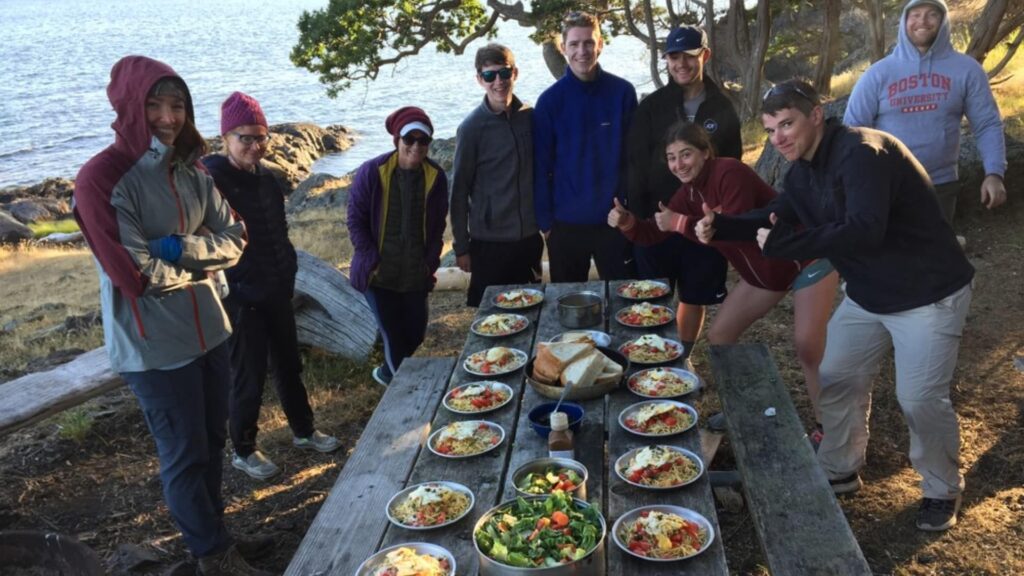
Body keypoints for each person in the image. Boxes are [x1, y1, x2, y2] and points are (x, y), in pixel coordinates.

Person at [697, 80, 974, 531]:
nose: (778, 138)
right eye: (770, 130)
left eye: (787, 124)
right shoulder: (803, 171)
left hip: (928, 294)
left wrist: (789, 243)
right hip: (869, 292)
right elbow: (781, 213)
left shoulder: (862, 153)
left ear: (816, 114)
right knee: (836, 375)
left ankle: (942, 488)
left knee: (919, 398)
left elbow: (865, 228)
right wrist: (723, 225)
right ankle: (841, 466)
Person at [73, 56, 271, 575]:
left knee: (212, 441)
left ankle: (215, 538)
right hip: (153, 347)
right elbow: (133, 276)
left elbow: (236, 239)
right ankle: (211, 556)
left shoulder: (191, 169)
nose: (168, 116)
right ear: (128, 107)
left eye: (177, 104)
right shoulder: (100, 179)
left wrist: (177, 248)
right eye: (154, 104)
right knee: (185, 454)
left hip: (209, 330)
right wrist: (202, 255)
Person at [610, 121, 837, 433]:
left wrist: (679, 223)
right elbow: (654, 232)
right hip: (766, 277)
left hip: (805, 260)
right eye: (672, 157)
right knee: (720, 337)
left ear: (705, 152)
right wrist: (627, 222)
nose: (679, 164)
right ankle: (739, 410)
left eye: (686, 154)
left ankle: (829, 429)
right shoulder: (688, 193)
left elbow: (735, 227)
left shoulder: (729, 172)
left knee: (808, 347)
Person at [202, 92, 341, 481]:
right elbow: (206, 241)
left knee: (288, 365)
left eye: (260, 137)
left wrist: (289, 272)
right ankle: (244, 451)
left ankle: (304, 431)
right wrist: (233, 284)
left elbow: (278, 230)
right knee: (248, 375)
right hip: (241, 296)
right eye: (244, 137)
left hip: (277, 288)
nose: (254, 145)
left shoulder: (267, 178)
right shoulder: (209, 179)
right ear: (226, 138)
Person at [625, 25, 742, 358]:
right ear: (666, 60)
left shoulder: (723, 107)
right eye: (673, 57)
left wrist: (722, 220)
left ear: (704, 55)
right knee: (653, 297)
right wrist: (640, 219)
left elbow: (731, 166)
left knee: (694, 296)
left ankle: (683, 357)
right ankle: (651, 355)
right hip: (658, 221)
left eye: (688, 57)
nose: (681, 64)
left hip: (703, 225)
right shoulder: (652, 107)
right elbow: (636, 163)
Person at [844, 0, 1007, 231]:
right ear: (904, 21)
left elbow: (987, 124)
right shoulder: (878, 74)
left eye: (932, 14)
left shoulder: (967, 70)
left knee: (936, 259)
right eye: (916, 14)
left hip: (940, 186)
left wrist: (994, 173)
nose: (923, 21)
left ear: (943, 21)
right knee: (891, 259)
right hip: (886, 187)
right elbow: (852, 131)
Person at [347, 106, 448, 386]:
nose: (416, 146)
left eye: (423, 140)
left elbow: (438, 225)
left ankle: (387, 373)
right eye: (409, 139)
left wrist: (430, 263)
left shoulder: (436, 177)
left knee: (415, 335)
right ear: (397, 140)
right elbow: (355, 220)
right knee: (394, 338)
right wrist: (371, 258)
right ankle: (403, 397)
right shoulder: (372, 172)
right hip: (379, 275)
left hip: (415, 273)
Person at [533, 11, 638, 282]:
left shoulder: (622, 93)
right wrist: (546, 224)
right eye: (575, 44)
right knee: (568, 305)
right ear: (563, 48)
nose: (583, 51)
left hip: (615, 221)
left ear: (600, 44)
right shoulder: (549, 102)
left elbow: (634, 159)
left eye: (589, 43)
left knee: (624, 302)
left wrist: (630, 209)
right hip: (565, 226)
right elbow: (540, 167)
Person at [450, 43, 543, 307]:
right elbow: (458, 192)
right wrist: (461, 247)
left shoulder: (530, 117)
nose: (498, 81)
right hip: (489, 243)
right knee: (492, 317)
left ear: (515, 73)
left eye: (503, 73)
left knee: (531, 309)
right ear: (480, 79)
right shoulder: (471, 129)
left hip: (528, 240)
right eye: (489, 75)